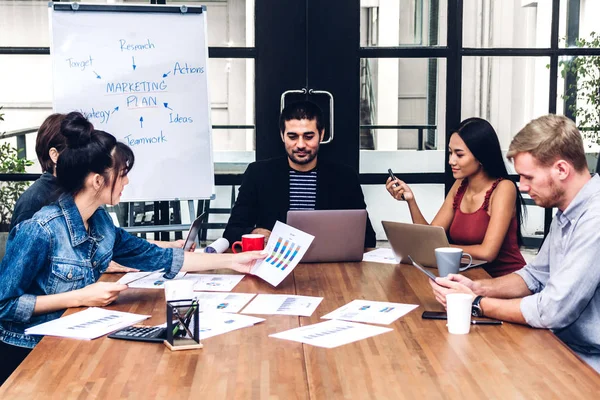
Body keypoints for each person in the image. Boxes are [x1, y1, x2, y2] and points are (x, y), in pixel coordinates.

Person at [0, 112, 265, 384]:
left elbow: (158, 257)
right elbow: (4, 305)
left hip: (73, 344)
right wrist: (80, 297)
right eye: (122, 174)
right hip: (30, 355)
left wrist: (232, 262)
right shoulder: (40, 229)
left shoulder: (100, 222)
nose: (126, 182)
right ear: (97, 181)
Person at [430, 115, 600, 372]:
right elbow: (534, 276)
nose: (521, 186)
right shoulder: (568, 211)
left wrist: (475, 303)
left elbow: (552, 310)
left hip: (589, 359)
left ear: (562, 170)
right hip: (562, 345)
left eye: (528, 177)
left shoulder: (595, 217)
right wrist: (477, 286)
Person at [10, 113, 190, 273]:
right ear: (55, 155)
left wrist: (169, 247)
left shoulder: (91, 209)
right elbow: (17, 281)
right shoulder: (36, 207)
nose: (89, 152)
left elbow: (121, 243)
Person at [223, 101, 376, 247]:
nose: (301, 145)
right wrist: (255, 232)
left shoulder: (345, 178)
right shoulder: (258, 174)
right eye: (293, 136)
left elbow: (368, 238)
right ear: (282, 135)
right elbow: (231, 232)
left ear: (321, 135)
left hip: (329, 264)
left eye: (309, 137)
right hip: (274, 264)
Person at [386, 118, 526, 277]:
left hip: (505, 281)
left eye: (459, 154)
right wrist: (410, 200)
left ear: (480, 156)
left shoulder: (504, 188)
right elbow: (430, 236)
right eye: (450, 152)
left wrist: (440, 249)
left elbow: (488, 252)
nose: (451, 161)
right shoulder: (460, 185)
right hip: (469, 277)